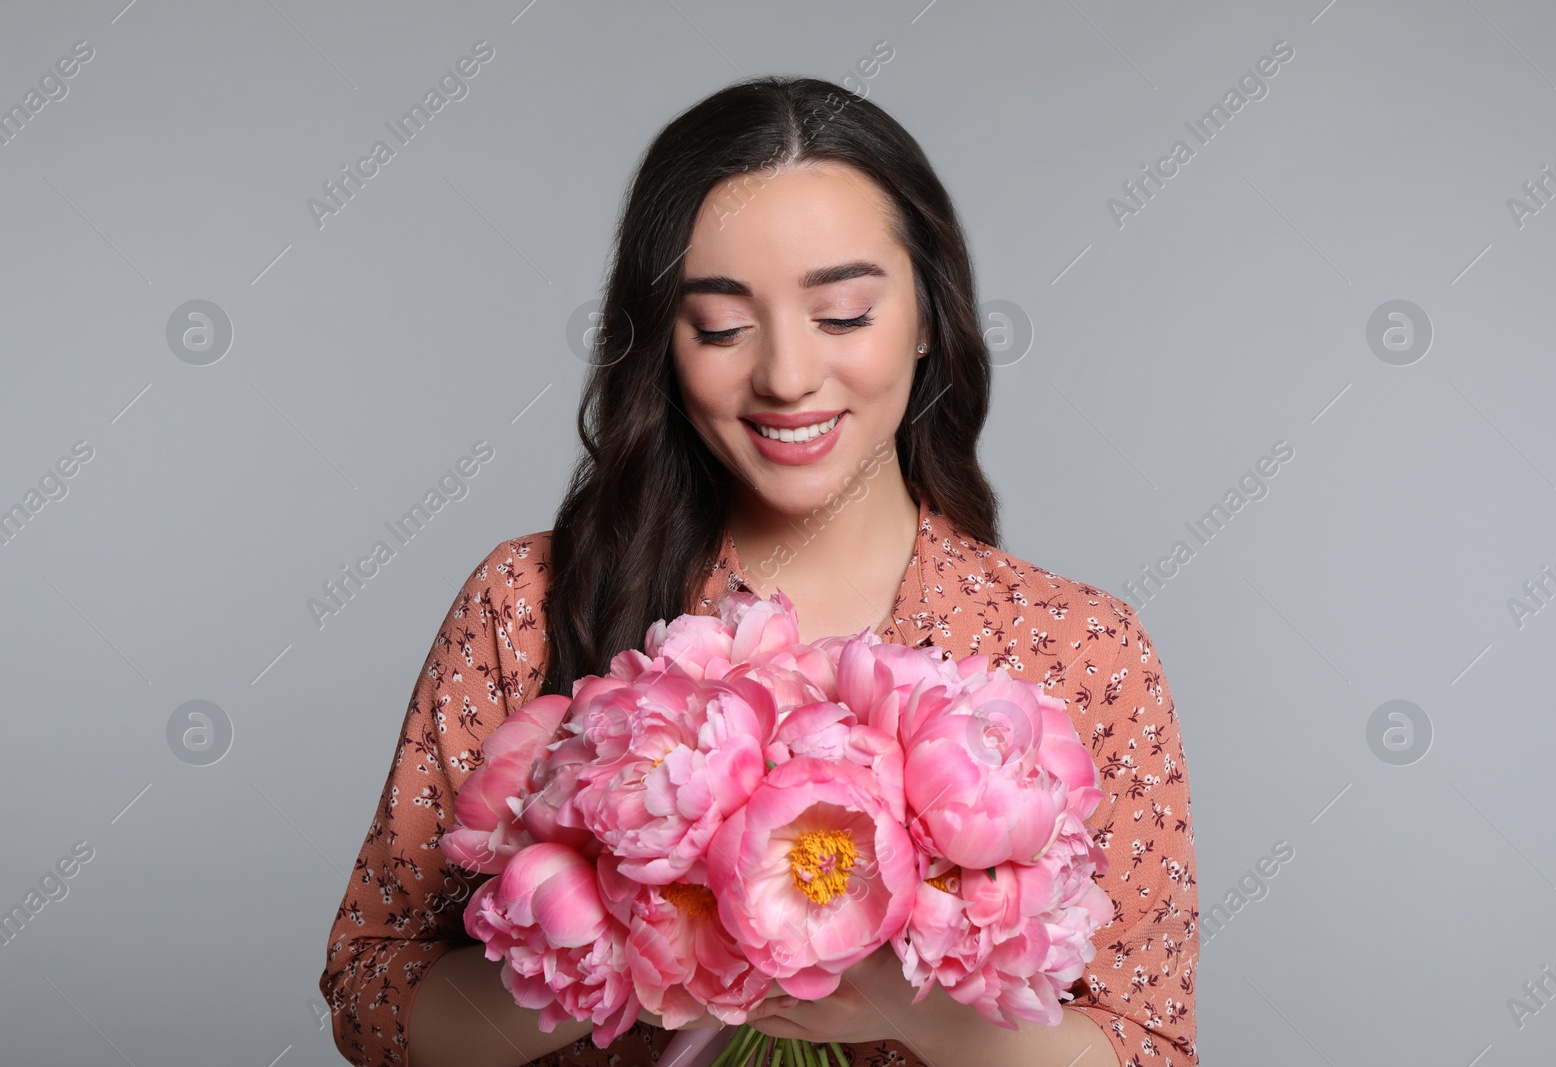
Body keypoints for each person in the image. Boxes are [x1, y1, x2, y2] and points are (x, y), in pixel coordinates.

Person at [319, 75, 1199, 1067]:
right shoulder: (527, 604)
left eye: (843, 313)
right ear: (660, 342)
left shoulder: (1078, 647)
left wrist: (908, 1009)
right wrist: (629, 937)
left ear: (926, 320)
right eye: (722, 326)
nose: (785, 375)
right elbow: (371, 997)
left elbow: (1148, 1042)